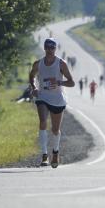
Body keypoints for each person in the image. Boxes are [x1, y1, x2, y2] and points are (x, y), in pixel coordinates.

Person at [29, 38, 75, 168]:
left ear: (55, 49)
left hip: (57, 99)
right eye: (47, 47)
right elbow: (32, 75)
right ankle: (44, 155)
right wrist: (34, 88)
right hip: (42, 96)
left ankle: (55, 152)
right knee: (42, 121)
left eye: (52, 47)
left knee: (55, 129)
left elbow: (72, 82)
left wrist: (60, 82)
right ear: (44, 48)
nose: (49, 50)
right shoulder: (38, 64)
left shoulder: (61, 64)